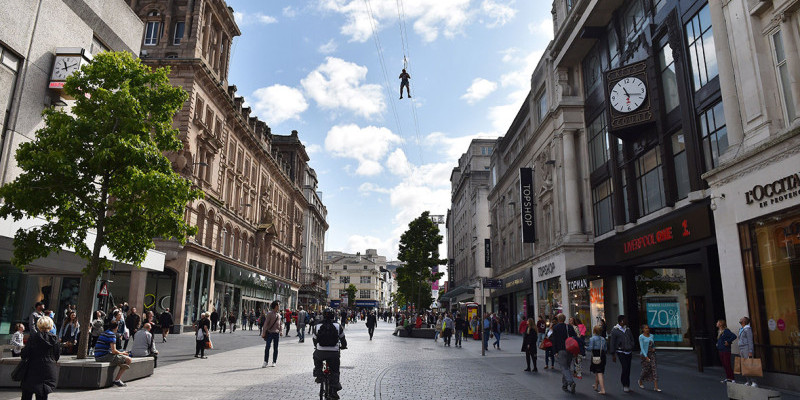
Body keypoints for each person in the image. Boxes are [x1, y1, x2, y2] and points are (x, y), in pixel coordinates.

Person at [20, 316, 60, 400]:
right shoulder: (54, 338)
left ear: (38, 325)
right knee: (42, 395)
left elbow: (24, 354)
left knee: (27, 394)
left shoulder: (33, 337)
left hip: (32, 370)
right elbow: (56, 356)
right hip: (48, 371)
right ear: (50, 325)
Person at [312, 308, 348, 399]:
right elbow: (343, 339)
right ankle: (334, 391)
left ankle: (319, 374)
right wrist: (344, 346)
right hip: (334, 353)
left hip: (320, 352)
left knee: (316, 357)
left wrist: (317, 346)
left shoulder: (317, 326)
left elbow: (314, 339)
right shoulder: (338, 326)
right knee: (335, 370)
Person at [94, 319, 132, 387]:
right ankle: (117, 380)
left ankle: (120, 364)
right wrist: (123, 353)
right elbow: (114, 350)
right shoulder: (111, 335)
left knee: (119, 356)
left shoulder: (104, 333)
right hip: (104, 356)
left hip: (97, 356)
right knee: (128, 359)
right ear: (116, 327)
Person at [550, 313, 578, 394]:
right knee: (567, 367)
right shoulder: (569, 327)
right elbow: (575, 337)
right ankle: (564, 385)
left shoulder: (556, 327)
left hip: (561, 349)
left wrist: (555, 351)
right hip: (570, 349)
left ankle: (571, 382)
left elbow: (554, 340)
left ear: (558, 319)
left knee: (564, 367)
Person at [609, 315, 636, 393]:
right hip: (621, 352)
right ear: (621, 321)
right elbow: (612, 342)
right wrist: (613, 354)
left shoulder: (628, 329)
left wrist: (632, 345)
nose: (626, 321)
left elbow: (632, 338)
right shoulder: (615, 330)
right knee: (625, 367)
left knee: (628, 369)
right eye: (625, 319)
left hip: (629, 351)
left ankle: (627, 385)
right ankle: (625, 384)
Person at [638, 324, 661, 392]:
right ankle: (640, 380)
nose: (647, 329)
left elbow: (653, 345)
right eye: (645, 328)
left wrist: (654, 348)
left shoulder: (652, 336)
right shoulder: (641, 337)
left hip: (652, 354)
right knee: (646, 369)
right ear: (643, 329)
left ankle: (656, 387)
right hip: (644, 355)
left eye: (648, 328)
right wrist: (646, 357)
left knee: (654, 369)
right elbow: (642, 348)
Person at [586, 324, 607, 394]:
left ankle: (603, 389)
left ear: (594, 331)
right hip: (602, 355)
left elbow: (590, 348)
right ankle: (596, 386)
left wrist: (585, 347)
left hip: (595, 355)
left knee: (599, 372)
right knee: (599, 371)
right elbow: (605, 349)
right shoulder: (603, 339)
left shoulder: (592, 339)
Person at [261, 301, 283, 367]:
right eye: (278, 305)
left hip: (276, 333)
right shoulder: (270, 314)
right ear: (276, 306)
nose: (279, 306)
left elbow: (280, 324)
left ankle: (274, 361)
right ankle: (265, 361)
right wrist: (263, 333)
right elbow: (266, 324)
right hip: (270, 333)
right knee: (267, 347)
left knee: (275, 348)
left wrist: (281, 331)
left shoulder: (279, 315)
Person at [738, 316, 756, 387]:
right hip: (742, 348)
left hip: (746, 348)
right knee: (744, 365)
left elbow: (750, 341)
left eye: (741, 319)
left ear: (744, 321)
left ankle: (754, 381)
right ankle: (748, 381)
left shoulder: (747, 329)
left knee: (749, 365)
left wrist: (750, 351)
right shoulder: (741, 329)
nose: (740, 319)